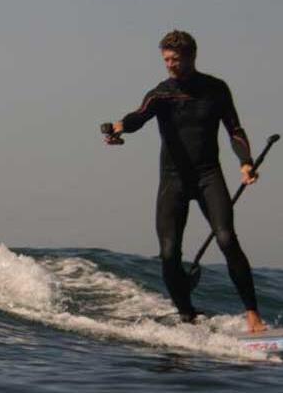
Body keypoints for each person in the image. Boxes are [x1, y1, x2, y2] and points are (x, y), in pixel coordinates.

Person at [104, 30, 267, 333]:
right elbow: (138, 117)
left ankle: (253, 316)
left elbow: (234, 129)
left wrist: (245, 162)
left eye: (175, 59)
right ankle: (187, 315)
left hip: (208, 175)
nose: (170, 65)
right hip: (173, 180)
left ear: (192, 56)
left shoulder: (216, 89)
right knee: (169, 254)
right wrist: (118, 128)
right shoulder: (161, 93)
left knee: (227, 239)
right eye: (166, 60)